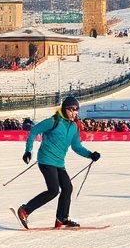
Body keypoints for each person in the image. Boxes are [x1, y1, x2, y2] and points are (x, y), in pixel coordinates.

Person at [15, 96, 100, 229]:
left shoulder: (73, 127)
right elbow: (34, 131)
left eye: (76, 109)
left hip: (59, 163)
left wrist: (90, 154)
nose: (75, 112)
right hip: (46, 160)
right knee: (53, 190)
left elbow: (76, 146)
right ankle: (25, 210)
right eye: (72, 109)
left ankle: (62, 218)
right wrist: (28, 151)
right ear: (65, 109)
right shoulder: (53, 121)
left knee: (67, 188)